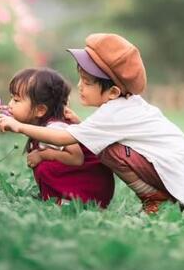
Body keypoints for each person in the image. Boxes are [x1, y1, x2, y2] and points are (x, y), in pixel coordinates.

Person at [0, 34, 184, 214]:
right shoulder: (121, 105)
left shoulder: (115, 111)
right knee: (99, 144)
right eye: (80, 79)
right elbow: (94, 134)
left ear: (113, 92)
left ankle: (156, 198)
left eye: (87, 82)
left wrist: (19, 126)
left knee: (108, 150)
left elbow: (65, 138)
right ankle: (157, 196)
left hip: (169, 171)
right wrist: (80, 125)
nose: (79, 86)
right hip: (171, 167)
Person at [6, 67, 114, 208]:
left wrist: (43, 154)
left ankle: (67, 201)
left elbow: (77, 158)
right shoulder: (44, 125)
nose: (9, 105)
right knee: (44, 165)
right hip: (88, 183)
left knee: (45, 166)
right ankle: (57, 197)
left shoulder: (55, 127)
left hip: (91, 188)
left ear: (40, 110)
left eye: (16, 100)